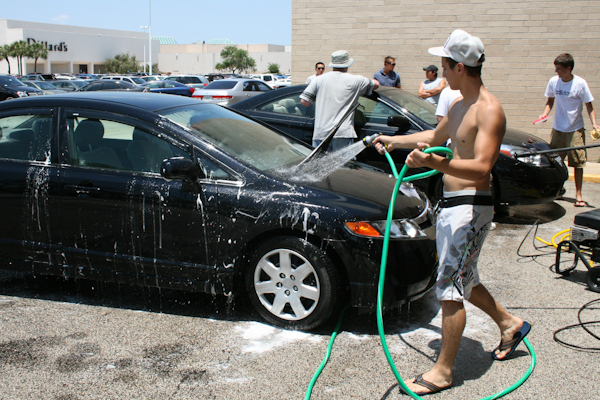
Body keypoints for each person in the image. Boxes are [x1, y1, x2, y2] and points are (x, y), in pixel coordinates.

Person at [374, 29, 530, 396]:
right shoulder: (458, 105)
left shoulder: (489, 109)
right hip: (453, 205)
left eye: (444, 65)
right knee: (465, 277)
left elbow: (482, 168)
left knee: (450, 286)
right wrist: (394, 141)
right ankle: (510, 324)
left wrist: (435, 164)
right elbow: (433, 138)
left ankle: (443, 372)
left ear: (460, 67)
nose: (441, 71)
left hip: (470, 208)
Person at [539, 53, 599, 207]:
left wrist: (595, 124)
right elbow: (550, 101)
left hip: (575, 129)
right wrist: (545, 114)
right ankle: (558, 191)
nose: (556, 71)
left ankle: (578, 196)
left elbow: (589, 104)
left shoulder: (580, 83)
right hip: (558, 128)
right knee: (556, 162)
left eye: (559, 68)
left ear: (568, 68)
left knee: (578, 163)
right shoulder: (554, 82)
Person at [300, 50, 379, 150]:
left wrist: (320, 97)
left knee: (320, 164)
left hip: (321, 132)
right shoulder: (356, 80)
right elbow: (376, 84)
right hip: (343, 133)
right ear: (347, 64)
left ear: (332, 64)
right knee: (343, 165)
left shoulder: (319, 79)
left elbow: (305, 102)